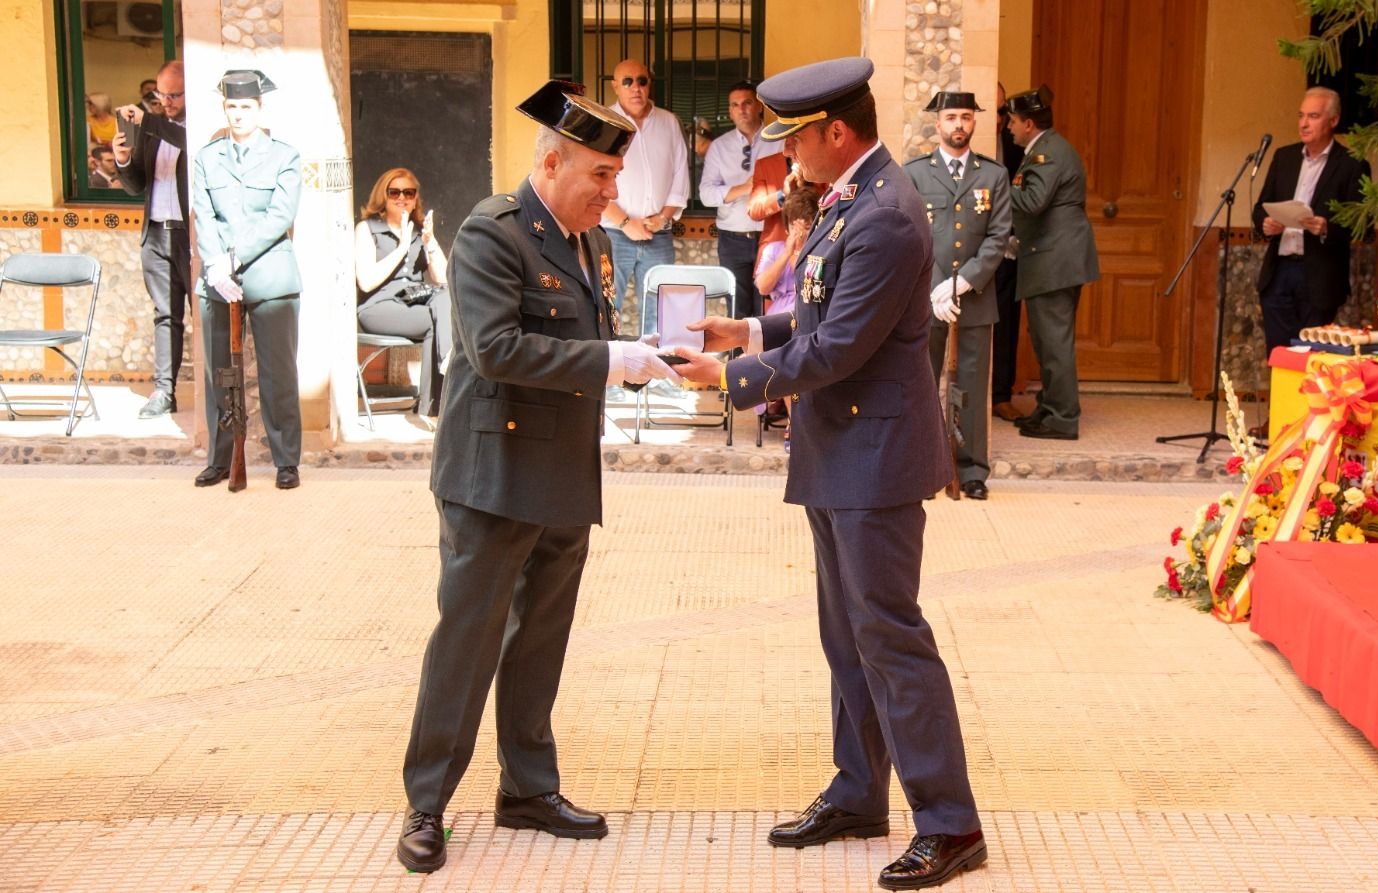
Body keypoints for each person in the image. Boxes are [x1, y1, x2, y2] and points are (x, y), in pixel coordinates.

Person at [674, 57, 986, 891]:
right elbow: (821, 308)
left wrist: (732, 383)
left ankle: (950, 822)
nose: (786, 156)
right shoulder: (854, 197)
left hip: (874, 460)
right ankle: (858, 791)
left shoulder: (884, 214)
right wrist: (743, 331)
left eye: (796, 139)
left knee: (890, 637)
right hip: (840, 452)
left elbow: (841, 346)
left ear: (835, 133)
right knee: (847, 638)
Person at [395, 80, 681, 874]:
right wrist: (615, 362)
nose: (611, 192)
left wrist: (644, 355)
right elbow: (494, 349)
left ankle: (527, 786)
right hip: (493, 472)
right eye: (599, 176)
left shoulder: (588, 239)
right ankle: (426, 802)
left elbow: (585, 343)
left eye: (615, 178)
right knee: (469, 637)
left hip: (560, 470)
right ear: (551, 163)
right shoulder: (493, 233)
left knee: (539, 641)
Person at [189, 70, 305, 490]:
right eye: (231, 107)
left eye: (245, 107)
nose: (237, 114)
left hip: (270, 276)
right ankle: (221, 459)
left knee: (278, 373)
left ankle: (286, 460)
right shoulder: (207, 157)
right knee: (219, 372)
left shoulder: (284, 156)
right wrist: (216, 265)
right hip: (218, 278)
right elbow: (204, 215)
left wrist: (233, 258)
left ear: (260, 109)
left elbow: (279, 217)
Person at [906, 91, 1013, 501]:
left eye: (966, 117)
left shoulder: (993, 175)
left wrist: (961, 282)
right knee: (922, 383)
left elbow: (998, 236)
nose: (958, 125)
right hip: (926, 299)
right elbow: (910, 235)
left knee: (970, 385)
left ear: (975, 123)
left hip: (975, 296)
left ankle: (971, 470)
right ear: (938, 124)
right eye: (951, 117)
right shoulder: (915, 173)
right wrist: (935, 287)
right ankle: (924, 468)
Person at [1004, 85, 1099, 441]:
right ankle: (1049, 406)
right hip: (1051, 257)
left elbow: (1032, 201)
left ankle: (1062, 417)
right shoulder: (1044, 149)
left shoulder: (1048, 153)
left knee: (1054, 342)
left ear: (1029, 124)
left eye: (1013, 121)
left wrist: (995, 186)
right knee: (1046, 341)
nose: (1009, 127)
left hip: (1055, 261)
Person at [1251, 86, 1370, 355]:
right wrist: (1265, 224)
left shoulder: (1352, 164)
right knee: (1279, 356)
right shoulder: (1284, 157)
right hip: (1279, 271)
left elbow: (1363, 223)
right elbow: (1260, 207)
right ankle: (1281, 400)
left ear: (1333, 120)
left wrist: (1327, 227)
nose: (1304, 124)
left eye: (1313, 116)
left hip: (1319, 274)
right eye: (1301, 116)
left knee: (1312, 359)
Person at [113, 60, 190, 419]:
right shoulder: (151, 127)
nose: (167, 101)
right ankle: (164, 391)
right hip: (156, 232)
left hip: (191, 237)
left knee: (209, 317)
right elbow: (136, 186)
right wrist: (123, 158)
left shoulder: (198, 126)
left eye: (174, 94)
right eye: (161, 94)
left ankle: (217, 390)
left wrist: (149, 121)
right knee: (165, 315)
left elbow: (185, 141)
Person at [354, 168, 452, 417]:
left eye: (408, 192)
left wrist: (429, 241)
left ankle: (437, 395)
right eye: (394, 192)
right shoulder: (368, 229)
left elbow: (443, 278)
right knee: (439, 320)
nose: (402, 198)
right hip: (378, 307)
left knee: (446, 299)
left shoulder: (419, 231)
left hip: (415, 302)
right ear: (383, 196)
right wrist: (402, 248)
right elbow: (366, 282)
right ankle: (435, 403)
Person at [601, 59, 689, 336]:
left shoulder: (668, 122)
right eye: (627, 81)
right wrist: (626, 222)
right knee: (606, 304)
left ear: (649, 84)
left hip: (658, 234)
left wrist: (663, 218)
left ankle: (651, 372)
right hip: (613, 233)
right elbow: (594, 180)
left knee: (657, 304)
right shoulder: (603, 123)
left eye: (642, 80)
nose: (635, 87)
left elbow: (680, 176)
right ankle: (606, 368)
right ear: (615, 86)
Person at [699, 80, 783, 321]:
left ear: (759, 106)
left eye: (747, 103)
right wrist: (745, 188)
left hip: (771, 234)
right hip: (732, 238)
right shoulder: (719, 147)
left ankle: (765, 358)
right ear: (730, 111)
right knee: (736, 307)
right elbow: (705, 194)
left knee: (768, 305)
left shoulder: (779, 140)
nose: (742, 109)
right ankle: (737, 359)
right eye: (735, 105)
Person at [751, 186, 819, 429]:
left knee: (798, 353)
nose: (802, 232)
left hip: (811, 311)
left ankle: (797, 425)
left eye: (808, 226)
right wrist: (788, 251)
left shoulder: (822, 252)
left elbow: (805, 286)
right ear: (788, 226)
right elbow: (762, 287)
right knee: (787, 353)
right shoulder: (774, 249)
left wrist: (800, 253)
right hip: (781, 313)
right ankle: (794, 424)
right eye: (796, 226)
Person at [990, 82, 1026, 422]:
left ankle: (1001, 393)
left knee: (1007, 321)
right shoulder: (966, 149)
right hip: (966, 250)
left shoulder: (1016, 149)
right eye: (994, 110)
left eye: (1004, 111)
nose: (999, 118)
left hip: (1007, 250)